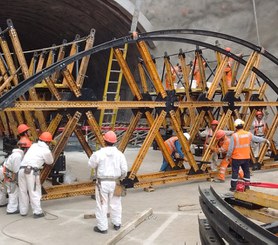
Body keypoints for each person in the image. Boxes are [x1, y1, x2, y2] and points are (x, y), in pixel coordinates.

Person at [88, 131, 127, 234]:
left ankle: (102, 227)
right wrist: (119, 178)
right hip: (115, 182)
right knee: (116, 204)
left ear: (104, 141)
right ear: (114, 142)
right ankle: (117, 223)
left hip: (102, 183)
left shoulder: (98, 154)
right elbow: (124, 170)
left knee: (102, 205)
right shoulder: (120, 154)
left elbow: (91, 165)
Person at [226, 119, 270, 192]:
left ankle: (233, 187)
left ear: (235, 127)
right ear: (243, 126)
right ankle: (247, 187)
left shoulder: (234, 136)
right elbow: (256, 139)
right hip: (246, 157)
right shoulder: (248, 134)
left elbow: (230, 149)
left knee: (235, 172)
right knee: (246, 172)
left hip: (236, 158)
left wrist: (228, 156)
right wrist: (265, 140)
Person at [18, 131, 53, 218]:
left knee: (22, 191)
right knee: (34, 191)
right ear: (48, 142)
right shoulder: (46, 150)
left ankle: (23, 211)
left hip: (21, 170)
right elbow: (50, 162)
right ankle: (37, 212)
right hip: (31, 172)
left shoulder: (33, 145)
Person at [0, 138, 31, 213]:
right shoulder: (18, 156)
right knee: (13, 191)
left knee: (3, 190)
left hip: (2, 171)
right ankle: (11, 209)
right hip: (7, 173)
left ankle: (1, 202)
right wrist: (14, 180)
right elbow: (15, 170)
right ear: (26, 148)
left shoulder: (15, 153)